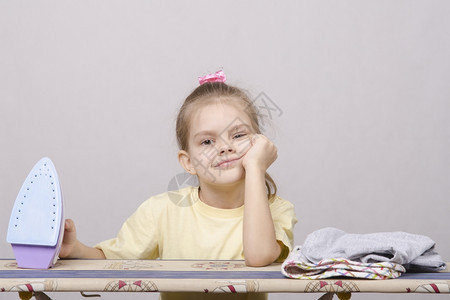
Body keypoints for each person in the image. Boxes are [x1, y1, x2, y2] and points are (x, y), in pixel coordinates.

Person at [59, 71, 297, 299]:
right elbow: (113, 260)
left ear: (260, 144)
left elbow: (259, 256)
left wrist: (256, 167)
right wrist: (76, 250)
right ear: (188, 162)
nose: (225, 147)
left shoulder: (276, 210)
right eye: (207, 141)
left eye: (238, 135)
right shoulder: (161, 211)